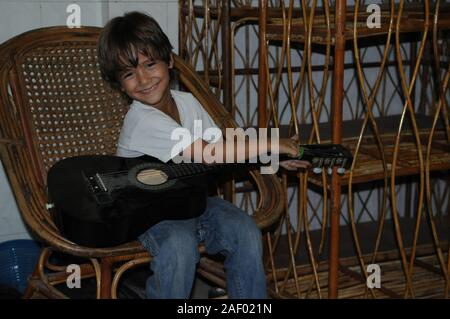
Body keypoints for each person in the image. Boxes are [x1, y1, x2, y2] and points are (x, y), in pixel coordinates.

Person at [98, 11, 308, 299]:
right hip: (147, 215)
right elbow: (209, 154)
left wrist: (274, 158)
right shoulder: (142, 120)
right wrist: (272, 143)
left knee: (244, 230)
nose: (144, 79)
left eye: (150, 64)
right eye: (129, 73)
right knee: (179, 246)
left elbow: (224, 146)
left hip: (191, 202)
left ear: (170, 61)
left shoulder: (187, 102)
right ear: (119, 84)